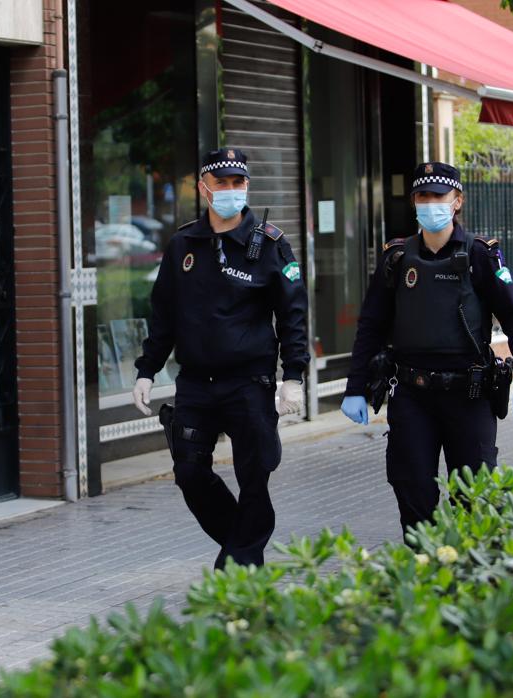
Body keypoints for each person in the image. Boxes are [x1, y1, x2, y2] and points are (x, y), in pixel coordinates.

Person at [340, 161, 513, 536]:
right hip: (412, 397)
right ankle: (424, 576)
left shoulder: (482, 255)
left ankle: (470, 579)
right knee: (412, 492)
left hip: (470, 394)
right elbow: (370, 325)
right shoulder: (397, 257)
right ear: (414, 202)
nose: (430, 203)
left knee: (474, 497)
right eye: (423, 196)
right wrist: (354, 388)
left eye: (439, 196)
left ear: (457, 201)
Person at [132, 148, 309, 570]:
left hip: (250, 383)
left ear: (246, 186)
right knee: (190, 475)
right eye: (222, 183)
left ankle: (236, 565)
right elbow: (164, 315)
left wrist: (294, 375)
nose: (230, 190)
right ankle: (242, 551)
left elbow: (293, 315)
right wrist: (146, 370)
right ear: (204, 188)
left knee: (255, 478)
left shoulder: (270, 244)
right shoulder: (182, 245)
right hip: (195, 383)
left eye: (238, 183)